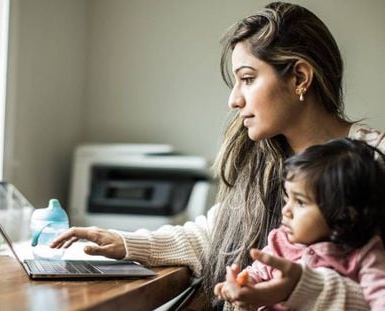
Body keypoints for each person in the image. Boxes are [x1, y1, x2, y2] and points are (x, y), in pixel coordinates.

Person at [50, 2, 385, 310]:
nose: (234, 100)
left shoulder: (375, 161)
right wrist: (125, 243)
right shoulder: (263, 160)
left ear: (299, 77)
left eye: (248, 80)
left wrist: (297, 288)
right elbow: (214, 237)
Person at [214, 138, 385, 310]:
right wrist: (244, 283)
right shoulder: (281, 241)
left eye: (301, 202)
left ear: (346, 213)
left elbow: (379, 297)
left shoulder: (364, 252)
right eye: (287, 198)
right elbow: (256, 272)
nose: (286, 211)